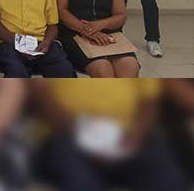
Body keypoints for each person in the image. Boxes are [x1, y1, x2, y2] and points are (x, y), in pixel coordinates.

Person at [32, 79, 188, 191]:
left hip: (128, 134)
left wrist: (135, 138)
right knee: (81, 182)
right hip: (66, 133)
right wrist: (87, 139)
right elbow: (41, 93)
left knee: (168, 179)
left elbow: (149, 101)